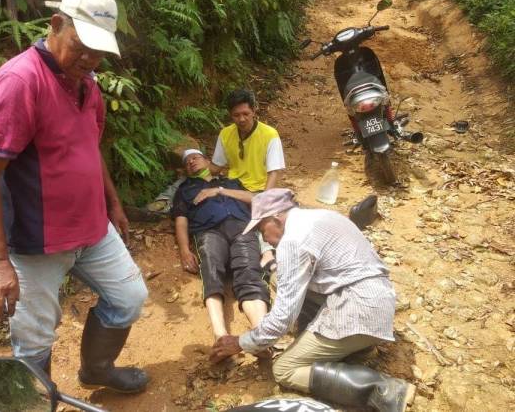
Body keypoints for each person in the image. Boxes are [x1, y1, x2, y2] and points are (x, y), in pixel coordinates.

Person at [0, 0, 149, 393]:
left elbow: (90, 147)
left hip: (92, 227)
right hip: (37, 242)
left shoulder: (88, 83)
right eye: (81, 47)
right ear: (55, 25)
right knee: (34, 338)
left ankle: (97, 370)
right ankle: (35, 401)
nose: (89, 59)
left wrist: (112, 204)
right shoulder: (20, 82)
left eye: (98, 52)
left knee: (129, 298)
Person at [212, 189, 415, 412]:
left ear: (276, 218)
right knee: (280, 279)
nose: (265, 238)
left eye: (262, 230)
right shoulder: (322, 216)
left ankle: (383, 390)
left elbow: (282, 318)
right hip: (378, 300)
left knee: (284, 369)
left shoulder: (293, 240)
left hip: (359, 311)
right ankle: (356, 349)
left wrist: (241, 342)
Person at [172, 149, 270, 360]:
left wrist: (220, 190)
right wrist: (184, 249)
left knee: (249, 273)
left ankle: (261, 335)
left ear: (208, 161)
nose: (191, 162)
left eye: (195, 157)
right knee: (210, 268)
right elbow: (181, 220)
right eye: (187, 162)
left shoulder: (232, 182)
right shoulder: (184, 190)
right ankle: (220, 335)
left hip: (241, 228)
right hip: (208, 231)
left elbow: (254, 199)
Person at [211, 89, 285, 265]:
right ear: (230, 115)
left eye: (246, 113)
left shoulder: (269, 135)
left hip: (259, 189)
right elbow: (216, 167)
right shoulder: (225, 134)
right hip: (234, 187)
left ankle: (267, 254)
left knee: (260, 217)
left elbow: (274, 172)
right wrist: (197, 166)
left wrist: (265, 199)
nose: (242, 119)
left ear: (254, 111)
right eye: (236, 115)